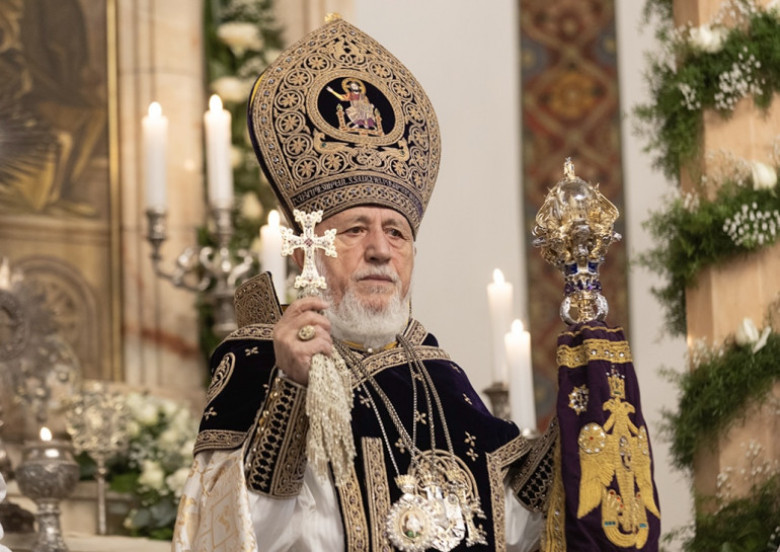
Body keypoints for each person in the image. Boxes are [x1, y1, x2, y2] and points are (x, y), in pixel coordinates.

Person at [173, 15, 659, 552]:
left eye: (397, 233)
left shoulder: (436, 374)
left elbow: (514, 519)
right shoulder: (258, 359)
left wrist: (582, 406)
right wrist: (291, 388)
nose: (380, 250)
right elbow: (233, 530)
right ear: (307, 249)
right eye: (355, 230)